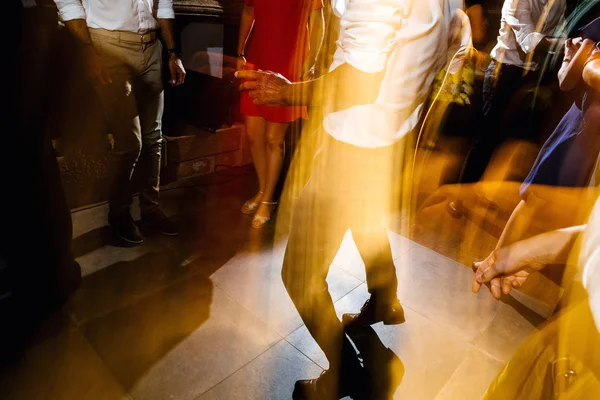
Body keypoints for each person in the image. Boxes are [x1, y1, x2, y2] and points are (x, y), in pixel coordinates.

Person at [237, 0, 452, 397]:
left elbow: (361, 80)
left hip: (353, 144)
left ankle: (347, 376)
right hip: (393, 138)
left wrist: (288, 93)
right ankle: (385, 300)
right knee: (365, 221)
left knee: (299, 275)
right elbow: (449, 40)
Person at [473, 15, 600, 290]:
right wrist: (579, 60)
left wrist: (585, 63)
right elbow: (568, 78)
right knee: (537, 195)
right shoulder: (594, 25)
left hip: (588, 133)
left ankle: (504, 260)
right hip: (580, 125)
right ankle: (498, 259)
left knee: (555, 202)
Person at [53, 0, 186, 244]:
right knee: (130, 142)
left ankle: (150, 208)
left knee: (153, 137)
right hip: (108, 46)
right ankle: (119, 213)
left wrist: (173, 53)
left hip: (152, 46)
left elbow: (164, 5)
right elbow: (68, 2)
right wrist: (87, 51)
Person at [448, 0, 568, 216]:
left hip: (528, 75)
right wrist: (568, 44)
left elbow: (558, 31)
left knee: (502, 140)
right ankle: (458, 196)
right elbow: (529, 42)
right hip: (502, 72)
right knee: (485, 140)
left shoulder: (558, 1)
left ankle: (473, 192)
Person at [237, 0, 324, 229]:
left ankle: (268, 199)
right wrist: (240, 51)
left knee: (274, 139)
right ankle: (262, 190)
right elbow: (248, 10)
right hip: (257, 59)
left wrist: (312, 60)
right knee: (253, 134)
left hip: (289, 62)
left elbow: (317, 19)